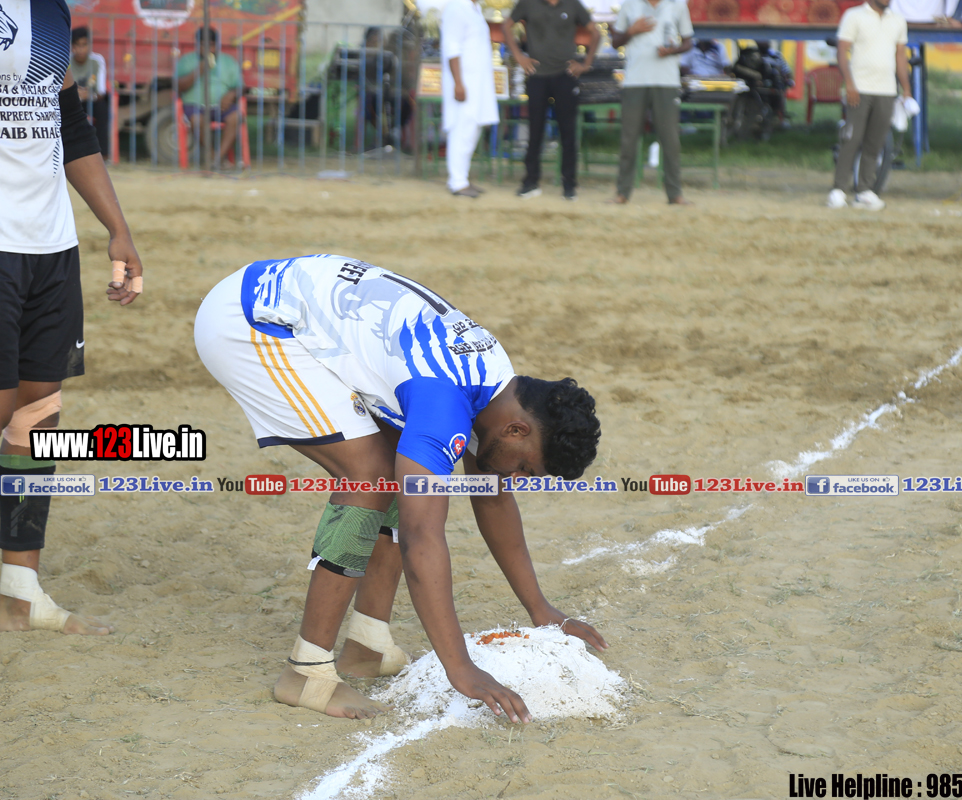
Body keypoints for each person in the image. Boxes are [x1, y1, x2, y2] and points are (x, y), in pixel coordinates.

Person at [194, 255, 606, 719]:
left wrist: (540, 608)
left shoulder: (499, 388)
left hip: (293, 306)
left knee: (400, 465)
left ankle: (367, 643)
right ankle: (306, 672)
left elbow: (491, 496)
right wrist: (461, 668)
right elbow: (420, 536)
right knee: (369, 476)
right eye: (526, 468)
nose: (517, 479)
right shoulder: (444, 399)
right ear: (516, 430)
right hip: (247, 319)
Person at [1, 0, 143, 637]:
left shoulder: (52, 12)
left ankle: (19, 594)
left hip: (51, 249)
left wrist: (118, 229)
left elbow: (71, 127)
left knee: (36, 419)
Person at [504, 0, 600, 201]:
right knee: (535, 130)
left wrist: (586, 63)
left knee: (568, 132)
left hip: (565, 75)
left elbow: (596, 32)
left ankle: (569, 185)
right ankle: (531, 182)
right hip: (537, 75)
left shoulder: (572, 4)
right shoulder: (528, 3)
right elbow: (506, 26)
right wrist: (519, 56)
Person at [827, 0, 912, 211]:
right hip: (859, 88)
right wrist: (849, 84)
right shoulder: (854, 15)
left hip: (887, 90)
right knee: (851, 139)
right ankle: (838, 190)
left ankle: (864, 190)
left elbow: (900, 56)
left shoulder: (898, 20)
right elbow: (842, 51)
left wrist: (906, 89)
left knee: (875, 142)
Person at [609, 0, 694, 205]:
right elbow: (615, 42)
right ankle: (622, 193)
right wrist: (631, 31)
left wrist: (671, 51)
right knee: (629, 139)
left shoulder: (677, 5)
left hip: (666, 80)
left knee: (670, 139)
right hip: (635, 80)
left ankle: (675, 194)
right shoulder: (629, 4)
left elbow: (688, 42)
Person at [441, 0, 500, 198]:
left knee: (472, 129)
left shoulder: (475, 10)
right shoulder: (456, 8)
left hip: (478, 83)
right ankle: (457, 182)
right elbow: (452, 47)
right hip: (464, 82)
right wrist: (458, 82)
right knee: (461, 129)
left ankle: (462, 178)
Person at [175, 27, 243, 170]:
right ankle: (213, 156)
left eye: (211, 45)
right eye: (203, 45)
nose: (207, 49)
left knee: (236, 117)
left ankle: (217, 160)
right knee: (197, 120)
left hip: (221, 106)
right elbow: (179, 87)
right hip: (195, 105)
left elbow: (239, 86)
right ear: (197, 44)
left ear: (217, 45)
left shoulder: (228, 61)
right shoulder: (186, 60)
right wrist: (200, 69)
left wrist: (231, 95)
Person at [70, 26, 109, 159]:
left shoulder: (97, 61)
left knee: (103, 109)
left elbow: (101, 92)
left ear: (89, 45)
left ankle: (103, 154)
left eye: (84, 45)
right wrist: (75, 95)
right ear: (72, 46)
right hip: (71, 101)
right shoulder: (67, 61)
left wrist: (89, 95)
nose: (80, 49)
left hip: (91, 101)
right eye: (77, 45)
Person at [756, 40, 794, 122]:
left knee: (779, 89)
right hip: (758, 83)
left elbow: (787, 72)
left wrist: (787, 79)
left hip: (775, 84)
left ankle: (779, 116)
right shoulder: (754, 55)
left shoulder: (776, 55)